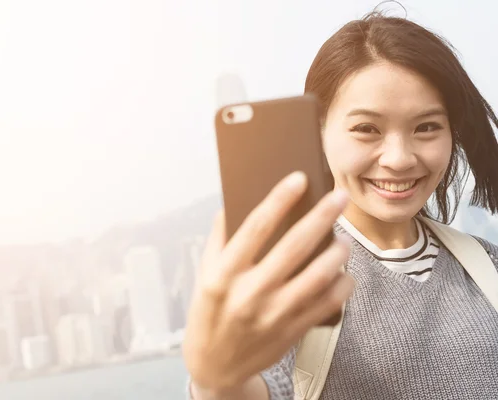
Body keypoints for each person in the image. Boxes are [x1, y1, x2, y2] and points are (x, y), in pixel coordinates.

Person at [182, 9, 498, 400]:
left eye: (426, 127)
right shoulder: (296, 273)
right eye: (367, 129)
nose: (398, 158)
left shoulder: (487, 263)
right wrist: (218, 381)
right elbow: (257, 386)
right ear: (319, 132)